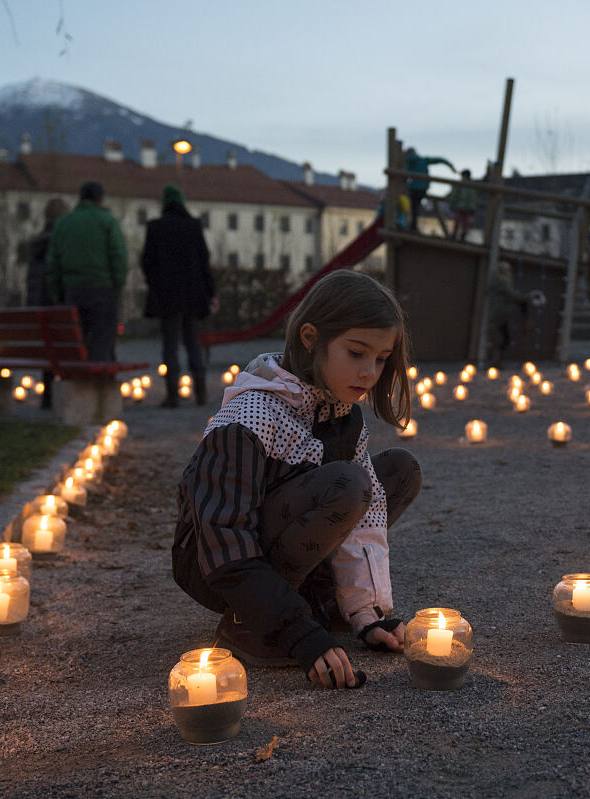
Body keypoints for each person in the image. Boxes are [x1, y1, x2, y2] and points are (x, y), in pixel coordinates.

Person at [171, 270, 421, 690]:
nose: (370, 373)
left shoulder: (341, 413)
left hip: (272, 546)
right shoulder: (251, 417)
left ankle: (319, 598)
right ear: (310, 338)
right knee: (349, 483)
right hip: (217, 565)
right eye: (356, 353)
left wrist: (364, 614)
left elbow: (366, 517)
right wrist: (298, 634)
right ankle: (250, 625)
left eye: (380, 359)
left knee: (398, 471)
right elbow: (224, 539)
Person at [141, 183, 217, 407]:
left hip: (166, 295)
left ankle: (173, 394)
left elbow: (147, 262)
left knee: (170, 343)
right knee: (193, 340)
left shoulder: (156, 227)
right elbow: (204, 261)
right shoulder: (193, 226)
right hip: (193, 294)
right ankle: (201, 392)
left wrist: (154, 284)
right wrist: (211, 293)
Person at [47, 181, 127, 362]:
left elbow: (53, 263)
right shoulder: (108, 221)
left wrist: (58, 293)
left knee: (77, 341)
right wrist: (117, 285)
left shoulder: (63, 223)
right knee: (101, 342)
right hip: (103, 291)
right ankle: (97, 385)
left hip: (73, 291)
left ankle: (78, 384)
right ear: (100, 199)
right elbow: (118, 257)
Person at [26, 197, 69, 408]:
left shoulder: (36, 245)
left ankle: (47, 397)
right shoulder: (62, 243)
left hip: (38, 314)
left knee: (50, 346)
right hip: (58, 311)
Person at [485, 261, 542, 368]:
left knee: (502, 337)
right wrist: (530, 296)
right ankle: (495, 362)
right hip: (501, 313)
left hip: (497, 313)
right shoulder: (502, 282)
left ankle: (496, 361)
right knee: (504, 338)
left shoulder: (494, 282)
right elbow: (515, 296)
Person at [404, 147, 455, 230]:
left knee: (412, 207)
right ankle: (413, 226)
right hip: (423, 188)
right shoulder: (424, 160)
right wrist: (450, 166)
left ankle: (411, 225)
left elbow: (404, 173)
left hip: (413, 187)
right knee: (416, 207)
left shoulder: (407, 161)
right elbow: (440, 160)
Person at [446, 169, 478, 240]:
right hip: (466, 207)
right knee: (463, 222)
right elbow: (473, 198)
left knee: (460, 222)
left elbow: (455, 194)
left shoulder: (461, 184)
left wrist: (452, 202)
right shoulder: (472, 185)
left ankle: (457, 235)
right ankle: (461, 235)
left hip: (462, 207)